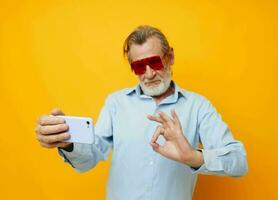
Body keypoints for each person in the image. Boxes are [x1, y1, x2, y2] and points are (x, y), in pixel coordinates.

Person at [35, 25, 248, 200]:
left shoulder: (198, 106)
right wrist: (67, 143)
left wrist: (193, 157)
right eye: (139, 66)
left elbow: (239, 162)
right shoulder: (116, 103)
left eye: (154, 62)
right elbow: (90, 157)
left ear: (170, 56)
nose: (148, 74)